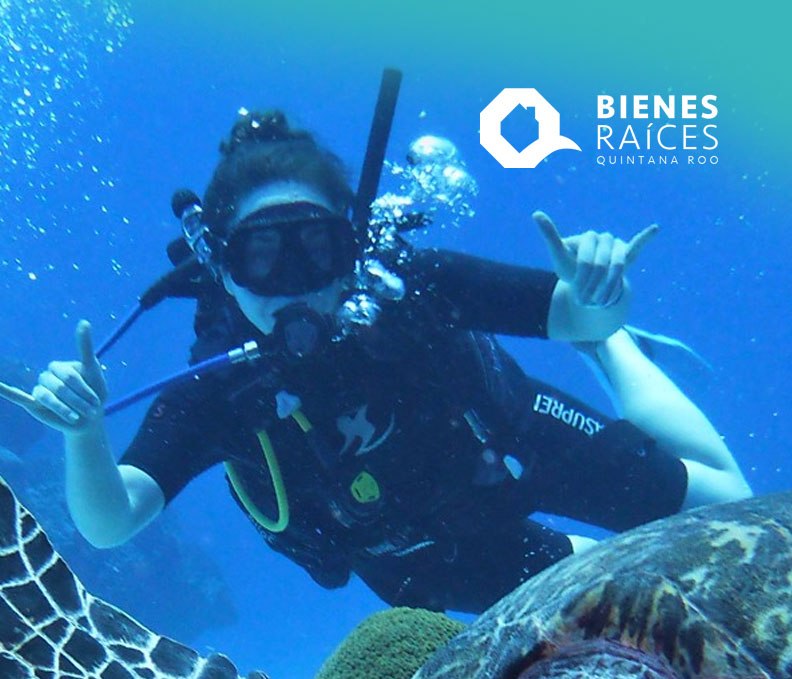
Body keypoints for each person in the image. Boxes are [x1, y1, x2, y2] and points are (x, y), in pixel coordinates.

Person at [0, 110, 751, 614]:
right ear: (220, 268)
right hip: (417, 553)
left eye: (315, 248)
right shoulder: (222, 387)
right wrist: (85, 435)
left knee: (730, 518)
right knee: (629, 601)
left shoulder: (414, 286)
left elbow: (579, 309)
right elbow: (110, 521)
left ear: (351, 245)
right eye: (261, 257)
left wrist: (600, 305)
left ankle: (613, 359)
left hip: (508, 440)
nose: (295, 282)